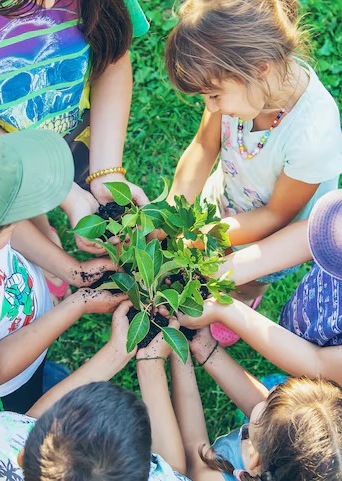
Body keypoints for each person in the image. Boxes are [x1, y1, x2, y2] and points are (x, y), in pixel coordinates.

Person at [164, 0, 342, 308]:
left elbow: (275, 215)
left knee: (246, 280)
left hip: (270, 235)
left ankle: (244, 299)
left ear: (260, 69)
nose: (211, 107)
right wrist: (170, 213)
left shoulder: (313, 134)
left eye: (214, 95)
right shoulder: (242, 85)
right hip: (227, 199)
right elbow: (205, 146)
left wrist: (204, 236)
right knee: (216, 258)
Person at [0, 0, 150, 302]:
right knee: (20, 204)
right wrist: (62, 193)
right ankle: (43, 238)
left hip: (80, 127)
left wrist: (106, 171)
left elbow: (112, 58)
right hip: (1, 146)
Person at [0, 129, 126, 419]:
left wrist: (73, 271)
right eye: (11, 223)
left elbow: (11, 229)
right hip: (4, 389)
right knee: (27, 408)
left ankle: (43, 371)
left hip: (27, 338)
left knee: (41, 370)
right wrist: (79, 303)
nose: (18, 224)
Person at [0, 301, 190, 481]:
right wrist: (150, 365)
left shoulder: (3, 442)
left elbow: (28, 420)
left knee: (53, 377)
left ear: (23, 456)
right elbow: (173, 472)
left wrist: (116, 353)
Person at [177, 189, 342, 384]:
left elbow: (318, 364)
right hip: (309, 317)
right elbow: (314, 235)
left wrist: (224, 310)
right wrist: (221, 271)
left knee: (299, 395)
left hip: (324, 368)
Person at [170, 328, 342, 481]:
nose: (271, 390)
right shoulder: (275, 447)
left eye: (269, 400)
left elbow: (193, 447)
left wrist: (179, 352)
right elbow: (257, 405)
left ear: (256, 459)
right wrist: (204, 348)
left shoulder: (212, 477)